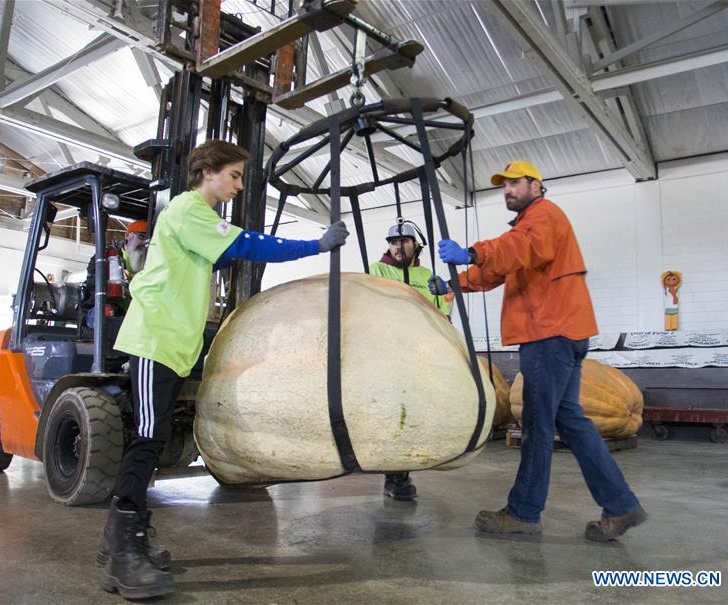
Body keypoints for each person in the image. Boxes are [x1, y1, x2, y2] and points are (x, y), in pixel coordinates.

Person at [100, 139, 350, 599]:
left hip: (175, 344)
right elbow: (247, 245)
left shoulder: (198, 217)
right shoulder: (188, 210)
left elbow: (230, 250)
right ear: (208, 171)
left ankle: (125, 539)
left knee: (151, 442)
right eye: (234, 175)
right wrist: (313, 244)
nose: (239, 185)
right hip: (156, 339)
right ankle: (122, 550)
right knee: (148, 440)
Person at [428, 160, 646, 542]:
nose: (508, 190)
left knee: (536, 427)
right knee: (571, 423)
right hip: (562, 333)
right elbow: (499, 269)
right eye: (504, 186)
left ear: (536, 185)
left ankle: (524, 513)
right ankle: (621, 504)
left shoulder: (544, 217)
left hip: (549, 333)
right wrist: (452, 282)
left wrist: (472, 251)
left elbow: (519, 249)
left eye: (515, 183)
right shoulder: (529, 224)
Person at [369, 220, 452, 500]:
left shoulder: (428, 274)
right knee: (392, 413)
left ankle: (400, 473)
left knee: (413, 412)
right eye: (393, 242)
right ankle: (394, 476)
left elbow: (442, 312)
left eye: (404, 241)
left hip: (420, 353)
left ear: (416, 245)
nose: (397, 246)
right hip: (387, 351)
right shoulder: (376, 270)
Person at [82, 219, 149, 327]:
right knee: (102, 313)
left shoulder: (156, 263)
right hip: (115, 311)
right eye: (141, 237)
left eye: (149, 241)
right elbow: (93, 286)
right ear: (127, 236)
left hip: (142, 315)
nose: (144, 243)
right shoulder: (107, 256)